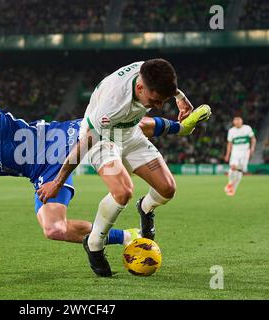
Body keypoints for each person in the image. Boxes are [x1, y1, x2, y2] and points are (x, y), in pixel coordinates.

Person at [0, 60, 209, 252]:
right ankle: (127, 237)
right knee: (54, 229)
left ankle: (178, 128)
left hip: (56, 135)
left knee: (120, 125)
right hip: (42, 172)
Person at [37, 59, 211, 277]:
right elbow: (83, 145)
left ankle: (145, 208)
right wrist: (57, 182)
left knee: (167, 189)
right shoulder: (113, 104)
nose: (158, 106)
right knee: (122, 191)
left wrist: (180, 99)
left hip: (130, 133)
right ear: (140, 88)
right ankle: (95, 244)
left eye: (163, 101)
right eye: (155, 100)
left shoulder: (150, 71)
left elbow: (167, 85)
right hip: (100, 140)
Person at [224, 116, 256, 196]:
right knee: (233, 167)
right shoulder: (231, 131)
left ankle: (233, 189)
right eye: (236, 120)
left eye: (239, 120)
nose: (237, 122)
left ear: (241, 121)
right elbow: (229, 143)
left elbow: (253, 139)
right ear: (233, 122)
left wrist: (252, 149)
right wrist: (227, 154)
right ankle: (230, 183)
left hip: (245, 153)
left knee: (240, 171)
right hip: (235, 152)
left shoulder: (247, 128)